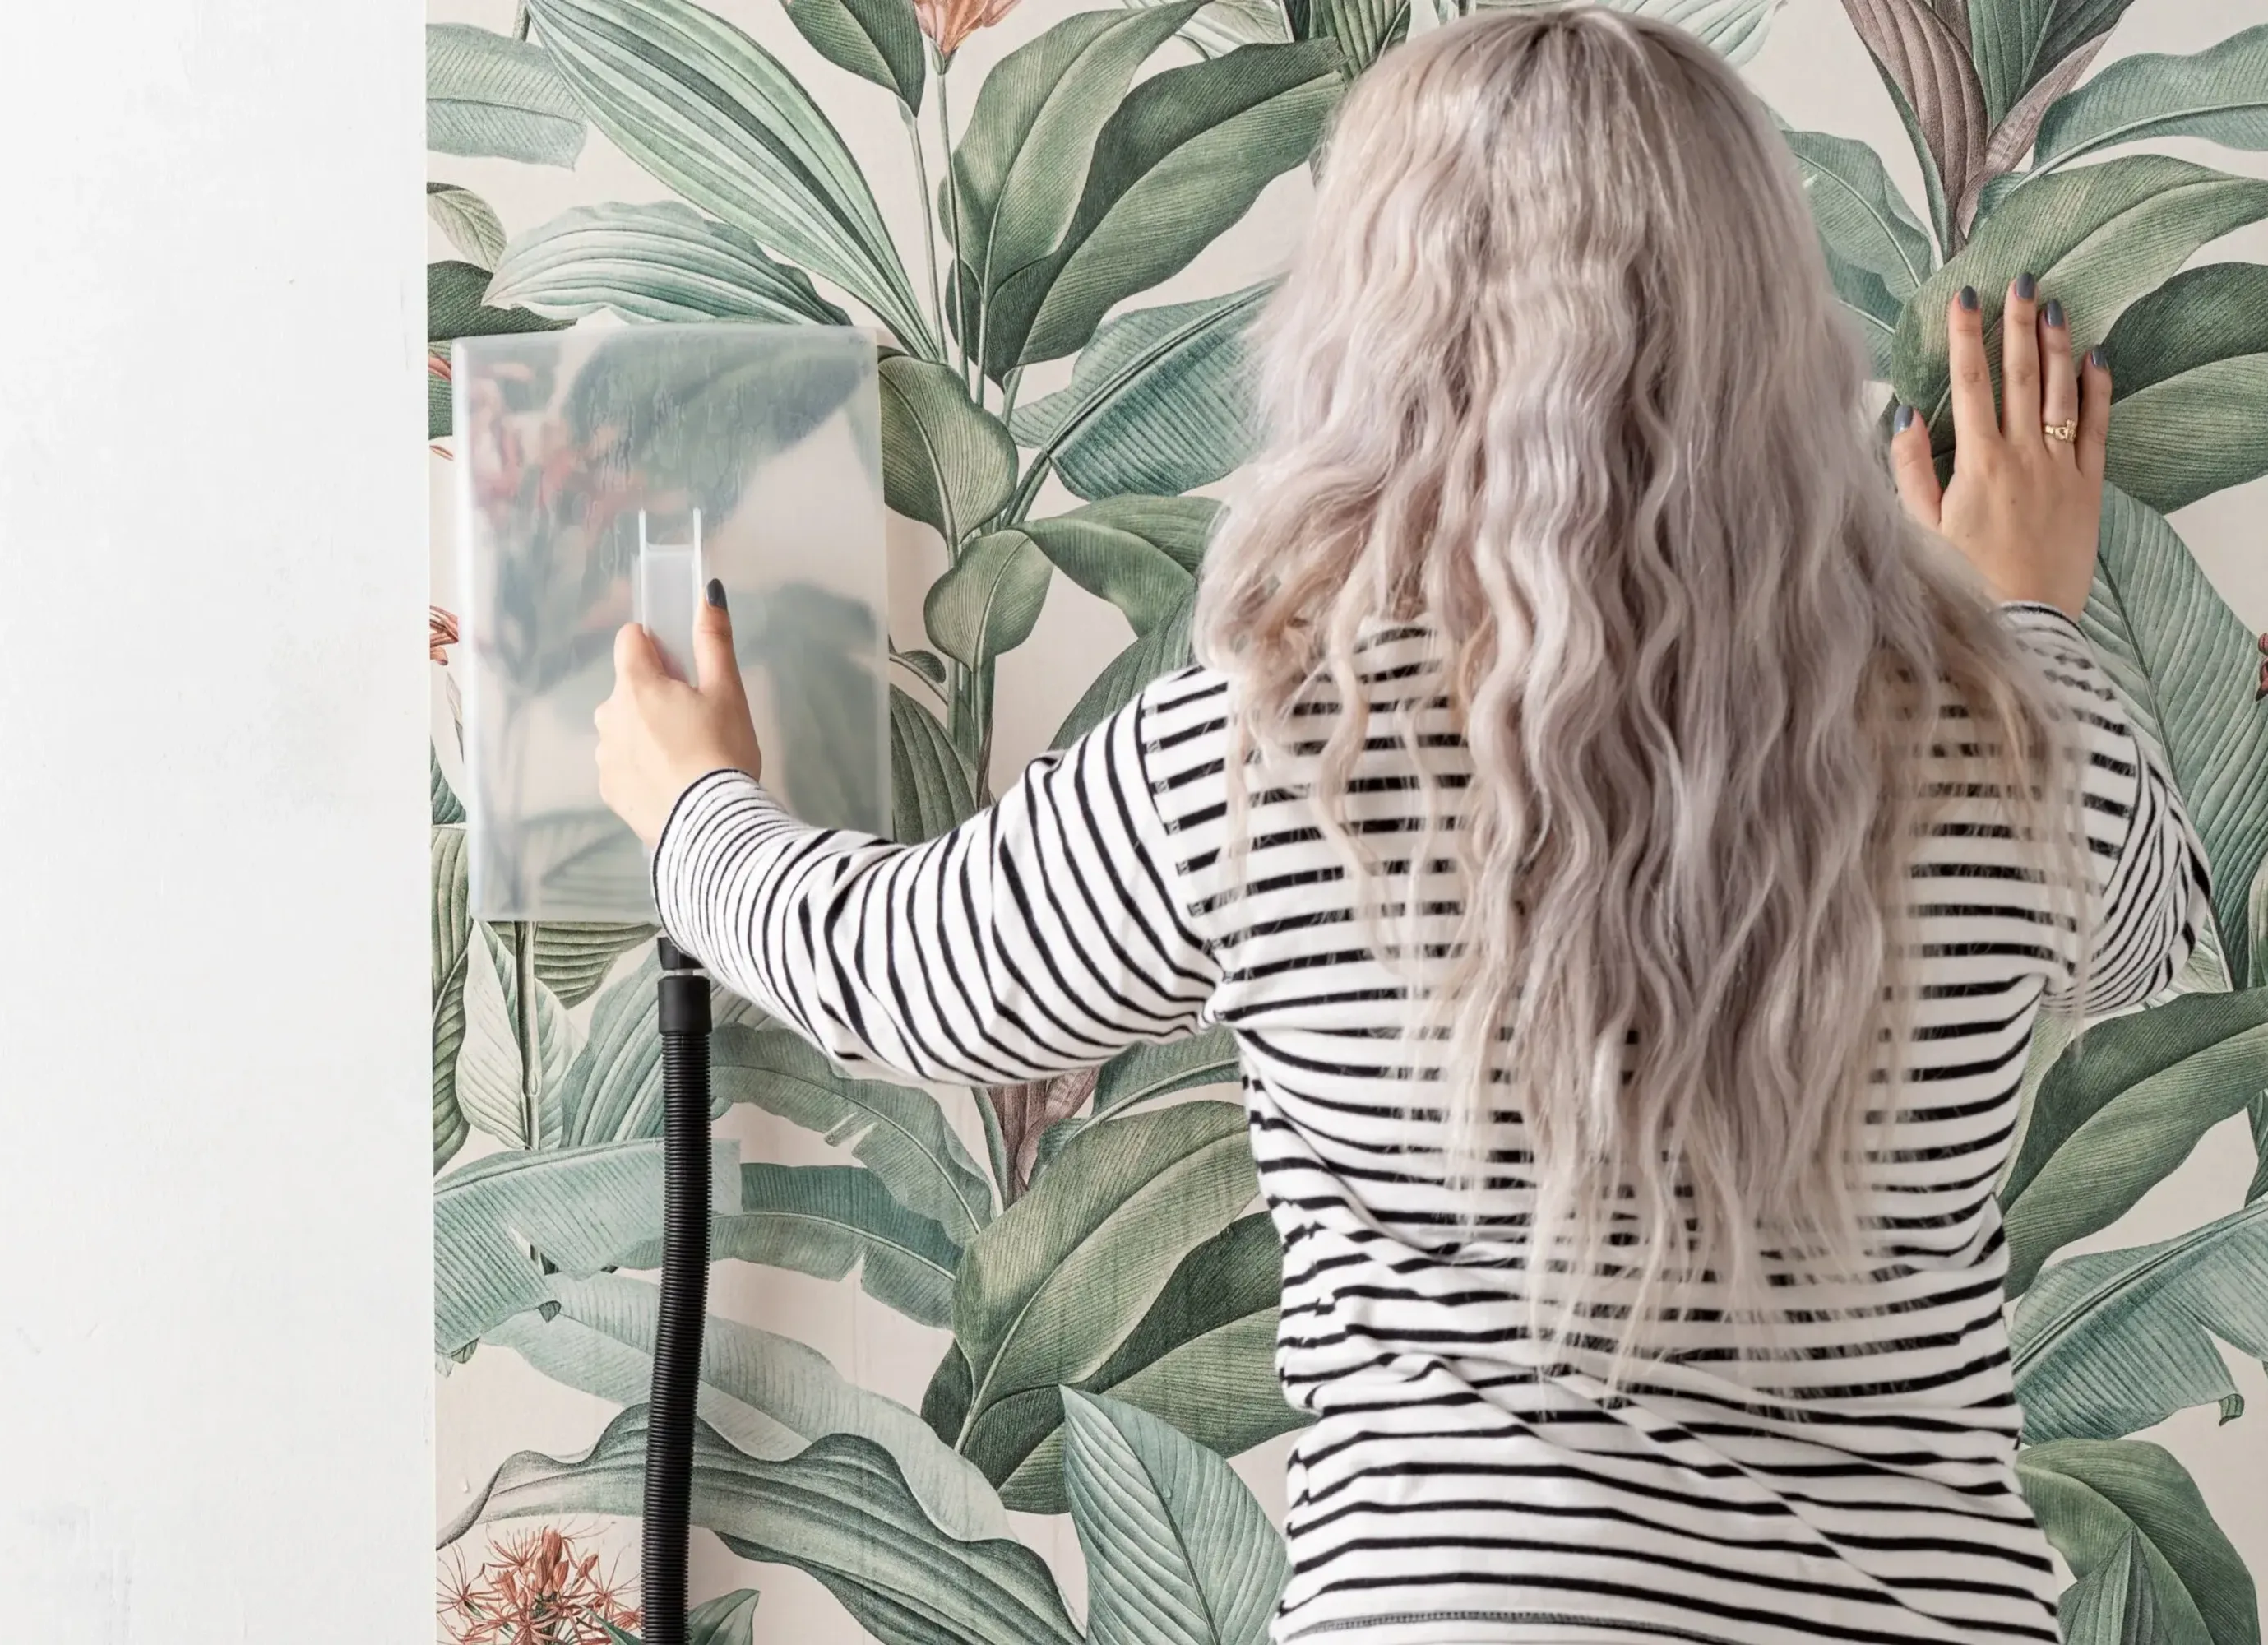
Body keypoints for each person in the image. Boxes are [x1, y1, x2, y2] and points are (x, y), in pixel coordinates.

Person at [590, 7, 2209, 1643]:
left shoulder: (1278, 745)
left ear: (1372, 327)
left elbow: (906, 974)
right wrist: (2018, 620)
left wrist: (688, 799)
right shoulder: (2008, 738)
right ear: (1774, 318)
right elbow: (2145, 940)